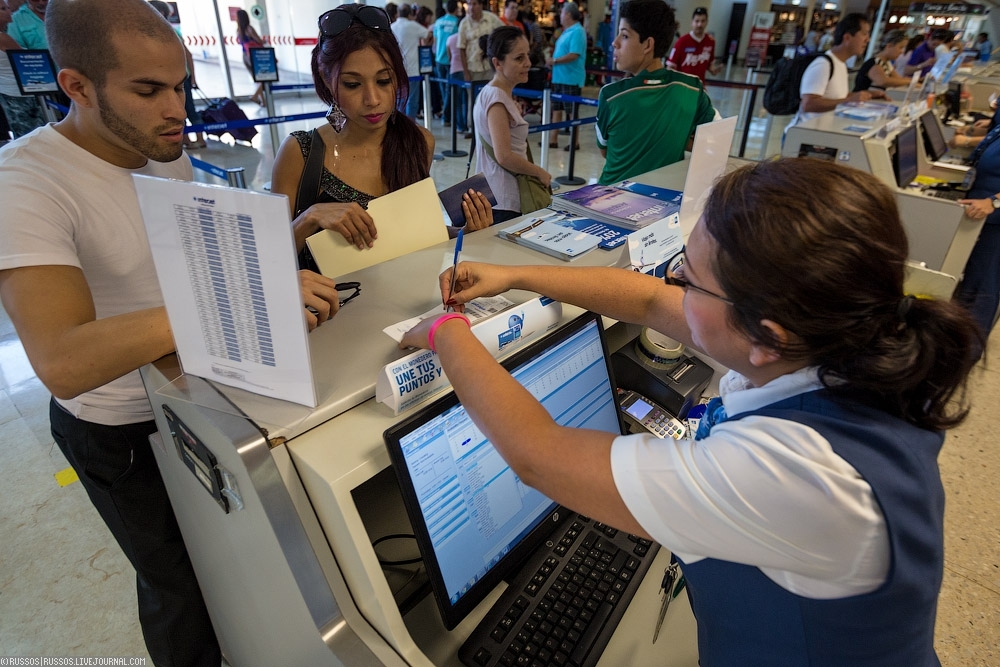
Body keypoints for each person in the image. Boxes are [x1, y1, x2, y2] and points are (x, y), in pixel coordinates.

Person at [401, 157, 981, 665]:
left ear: (766, 337)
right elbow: (651, 299)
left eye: (692, 277)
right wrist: (515, 274)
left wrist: (447, 333)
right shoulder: (842, 343)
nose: (675, 280)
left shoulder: (795, 474)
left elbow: (536, 456)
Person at [0, 1, 339, 665]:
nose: (174, 109)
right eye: (149, 90)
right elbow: (64, 360)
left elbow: (190, 273)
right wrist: (244, 296)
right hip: (116, 429)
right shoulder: (25, 184)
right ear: (76, 86)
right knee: (178, 588)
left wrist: (289, 240)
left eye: (181, 86)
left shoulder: (161, 156)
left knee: (228, 566)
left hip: (190, 398)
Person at [270, 4, 492, 267]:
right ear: (327, 78)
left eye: (384, 80)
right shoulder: (300, 153)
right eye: (352, 84)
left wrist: (465, 234)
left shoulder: (418, 142)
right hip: (325, 307)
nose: (373, 99)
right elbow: (271, 261)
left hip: (404, 302)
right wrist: (310, 218)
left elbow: (410, 235)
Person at [596, 0, 715, 185]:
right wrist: (676, 136)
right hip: (664, 200)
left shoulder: (612, 96)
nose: (615, 42)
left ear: (647, 45)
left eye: (624, 36)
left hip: (611, 199)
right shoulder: (693, 88)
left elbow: (605, 151)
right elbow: (712, 141)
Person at [473, 26, 552, 222]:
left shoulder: (495, 93)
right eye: (519, 58)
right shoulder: (496, 98)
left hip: (497, 193)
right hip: (503, 196)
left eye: (527, 55)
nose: (528, 63)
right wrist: (539, 172)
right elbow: (504, 156)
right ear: (498, 63)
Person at [787, 13, 875, 130]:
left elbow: (836, 96)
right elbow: (808, 104)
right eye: (864, 34)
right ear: (847, 37)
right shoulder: (823, 65)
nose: (867, 40)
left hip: (822, 136)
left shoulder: (840, 64)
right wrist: (849, 100)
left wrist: (866, 95)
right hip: (805, 136)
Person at [955, 119, 1000, 337]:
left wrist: (994, 202)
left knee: (981, 291)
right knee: (972, 283)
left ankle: (967, 349)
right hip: (982, 215)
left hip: (995, 221)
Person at [148, 0, 204, 149]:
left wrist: (192, 78)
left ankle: (197, 139)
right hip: (177, 77)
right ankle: (186, 140)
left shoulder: (168, 32)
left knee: (187, 109)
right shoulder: (161, 33)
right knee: (179, 109)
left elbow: (188, 55)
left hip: (179, 78)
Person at [457, 0, 502, 139]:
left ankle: (491, 128)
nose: (472, 7)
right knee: (473, 100)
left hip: (490, 67)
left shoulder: (492, 19)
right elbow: (461, 49)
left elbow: (503, 35)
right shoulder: (464, 23)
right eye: (469, 4)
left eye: (475, 4)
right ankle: (474, 128)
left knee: (491, 98)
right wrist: (465, 71)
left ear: (481, 5)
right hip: (473, 68)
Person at [0, 0, 44, 138]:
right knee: (32, 133)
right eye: (2, 9)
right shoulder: (3, 38)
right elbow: (26, 59)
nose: (9, 11)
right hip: (20, 91)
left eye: (7, 7)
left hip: (8, 90)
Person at [547, 1, 586, 150]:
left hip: (571, 79)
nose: (560, 16)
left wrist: (555, 60)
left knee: (571, 112)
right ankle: (553, 139)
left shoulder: (577, 31)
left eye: (562, 12)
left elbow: (574, 54)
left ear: (568, 14)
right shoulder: (566, 30)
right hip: (559, 77)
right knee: (556, 109)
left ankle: (575, 142)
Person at [390, 3, 427, 119]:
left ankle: (399, 126)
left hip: (397, 69)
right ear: (410, 13)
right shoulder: (413, 25)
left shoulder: (392, 27)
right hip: (413, 69)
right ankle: (410, 126)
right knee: (412, 101)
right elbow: (428, 34)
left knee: (399, 100)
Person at [666, 6, 720, 84]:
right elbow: (670, 66)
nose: (699, 24)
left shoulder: (710, 41)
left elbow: (710, 65)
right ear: (692, 22)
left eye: (703, 21)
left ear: (707, 22)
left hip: (700, 87)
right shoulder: (682, 41)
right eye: (697, 21)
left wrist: (714, 71)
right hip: (683, 87)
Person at [853, 29, 913, 94]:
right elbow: (883, 81)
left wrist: (911, 81)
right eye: (900, 47)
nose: (902, 52)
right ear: (889, 46)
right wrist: (909, 81)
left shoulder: (887, 63)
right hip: (858, 101)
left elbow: (898, 79)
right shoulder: (875, 62)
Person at [432, 1, 460, 122]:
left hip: (439, 58)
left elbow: (435, 41)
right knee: (450, 90)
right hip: (451, 59)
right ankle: (447, 116)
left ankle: (446, 114)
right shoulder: (458, 22)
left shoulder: (438, 22)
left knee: (444, 90)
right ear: (456, 9)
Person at [235, 8, 265, 105]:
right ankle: (255, 96)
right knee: (264, 79)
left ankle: (263, 101)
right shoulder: (249, 28)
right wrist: (263, 41)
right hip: (254, 56)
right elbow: (259, 41)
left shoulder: (238, 31)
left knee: (257, 79)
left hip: (245, 56)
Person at [446, 31, 469, 132]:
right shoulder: (467, 39)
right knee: (467, 99)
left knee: (457, 101)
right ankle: (468, 124)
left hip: (454, 70)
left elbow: (449, 56)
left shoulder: (450, 38)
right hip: (467, 71)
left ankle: (460, 126)